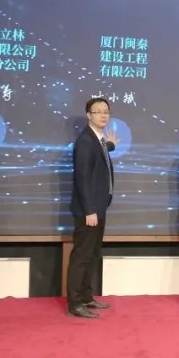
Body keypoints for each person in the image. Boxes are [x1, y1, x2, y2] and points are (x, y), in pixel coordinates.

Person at [67, 97, 119, 318]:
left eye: (106, 111)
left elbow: (101, 153)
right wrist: (89, 210)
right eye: (98, 112)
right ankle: (75, 303)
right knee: (82, 255)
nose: (103, 115)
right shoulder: (86, 141)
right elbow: (82, 177)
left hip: (98, 207)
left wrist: (110, 146)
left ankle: (87, 296)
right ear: (89, 115)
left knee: (92, 254)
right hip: (88, 210)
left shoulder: (97, 140)